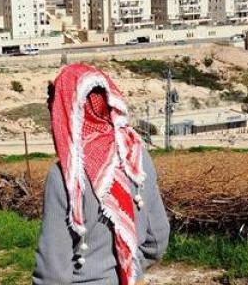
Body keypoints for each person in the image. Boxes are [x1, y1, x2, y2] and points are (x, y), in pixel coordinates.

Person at [33, 64, 170, 285]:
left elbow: (53, 273)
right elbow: (158, 239)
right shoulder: (135, 156)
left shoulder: (65, 176)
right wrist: (130, 270)